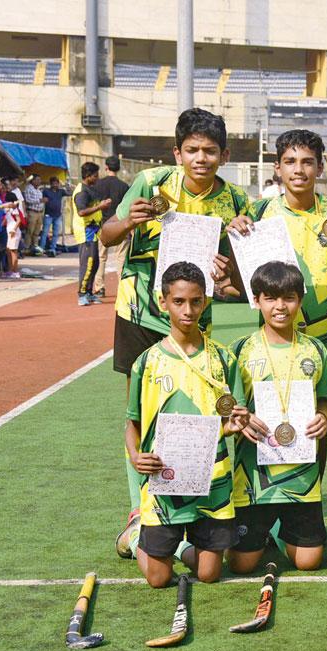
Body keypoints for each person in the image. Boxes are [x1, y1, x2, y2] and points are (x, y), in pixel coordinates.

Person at [104, 107, 247, 559]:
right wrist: (129, 221)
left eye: (209, 151)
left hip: (194, 318)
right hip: (140, 312)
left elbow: (239, 279)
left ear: (223, 155)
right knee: (144, 413)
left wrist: (229, 265)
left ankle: (189, 506)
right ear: (176, 152)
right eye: (191, 150)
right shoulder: (150, 183)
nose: (200, 159)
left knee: (196, 411)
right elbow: (107, 236)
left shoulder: (233, 201)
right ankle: (139, 511)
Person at [125, 261, 250, 587]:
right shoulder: (147, 362)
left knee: (209, 575)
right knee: (158, 579)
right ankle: (139, 534)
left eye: (196, 301)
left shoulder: (224, 359)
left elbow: (233, 415)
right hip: (163, 482)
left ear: (205, 301)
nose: (188, 310)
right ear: (163, 303)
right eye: (178, 302)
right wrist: (137, 456)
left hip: (212, 481)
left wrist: (234, 425)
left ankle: (179, 547)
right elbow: (131, 423)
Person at [227, 261, 327, 572]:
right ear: (256, 300)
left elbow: (324, 398)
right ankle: (266, 531)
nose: (280, 307)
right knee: (241, 565)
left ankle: (275, 531)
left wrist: (323, 417)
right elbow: (228, 405)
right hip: (254, 480)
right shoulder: (240, 350)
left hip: (302, 477)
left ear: (300, 300)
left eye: (288, 297)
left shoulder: (315, 350)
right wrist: (240, 418)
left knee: (309, 562)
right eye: (270, 298)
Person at [232, 129, 327, 361]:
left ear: (320, 167)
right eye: (290, 162)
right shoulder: (258, 212)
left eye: (307, 162)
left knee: (322, 397)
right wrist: (236, 239)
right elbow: (246, 288)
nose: (298, 170)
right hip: (274, 333)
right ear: (277, 168)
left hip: (326, 333)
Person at [91, 156, 130, 297]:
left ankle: (99, 287)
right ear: (118, 168)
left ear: (106, 167)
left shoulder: (97, 185)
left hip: (103, 226)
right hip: (120, 226)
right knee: (121, 259)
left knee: (101, 258)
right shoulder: (124, 186)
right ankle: (122, 289)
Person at [73, 162, 109, 304]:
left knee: (95, 262)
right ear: (88, 176)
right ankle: (82, 293)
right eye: (95, 175)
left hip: (93, 230)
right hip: (85, 231)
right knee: (88, 263)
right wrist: (100, 206)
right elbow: (81, 212)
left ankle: (89, 292)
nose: (97, 178)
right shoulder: (82, 191)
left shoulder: (91, 189)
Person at [41, 176, 67, 257]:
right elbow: (41, 198)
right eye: (54, 183)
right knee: (45, 233)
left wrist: (65, 185)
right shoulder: (46, 191)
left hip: (57, 215)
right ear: (50, 184)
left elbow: (71, 192)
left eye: (57, 183)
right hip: (48, 215)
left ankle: (53, 248)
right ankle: (42, 249)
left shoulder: (61, 191)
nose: (55, 185)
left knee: (56, 233)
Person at [22, 174, 44, 256]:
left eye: (40, 180)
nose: (39, 181)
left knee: (37, 232)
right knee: (29, 231)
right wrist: (40, 200)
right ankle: (26, 248)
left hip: (39, 213)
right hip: (32, 212)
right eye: (37, 180)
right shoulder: (28, 188)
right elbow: (27, 200)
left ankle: (35, 249)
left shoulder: (38, 190)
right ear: (33, 180)